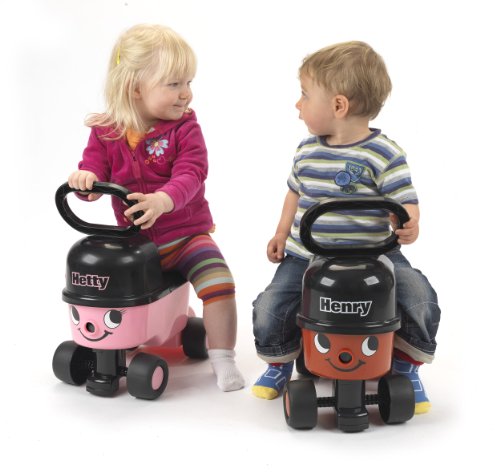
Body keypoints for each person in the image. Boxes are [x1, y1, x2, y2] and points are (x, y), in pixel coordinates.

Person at [252, 41, 440, 414]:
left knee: (419, 296)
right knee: (271, 304)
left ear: (338, 106)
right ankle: (279, 361)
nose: (298, 104)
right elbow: (294, 193)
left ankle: (406, 367)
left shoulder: (384, 153)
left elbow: (405, 200)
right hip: (307, 255)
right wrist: (280, 233)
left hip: (376, 256)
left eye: (305, 95)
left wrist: (410, 223)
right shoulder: (307, 150)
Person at [68, 24, 244, 392]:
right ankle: (116, 334)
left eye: (188, 82)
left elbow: (192, 172)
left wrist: (164, 200)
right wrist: (85, 182)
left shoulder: (184, 128)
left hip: (186, 236)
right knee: (103, 279)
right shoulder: (106, 131)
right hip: (135, 244)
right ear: (136, 88)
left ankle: (223, 357)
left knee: (219, 284)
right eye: (174, 84)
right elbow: (93, 172)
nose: (186, 93)